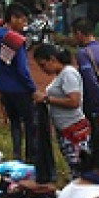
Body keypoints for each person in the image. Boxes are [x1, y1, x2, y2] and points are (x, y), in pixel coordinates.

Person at [0, 2, 37, 162]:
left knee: (14, 122)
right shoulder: (14, 39)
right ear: (13, 18)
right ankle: (30, 157)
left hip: (3, 87)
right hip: (20, 89)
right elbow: (21, 69)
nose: (24, 24)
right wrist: (32, 88)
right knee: (29, 122)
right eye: (23, 20)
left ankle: (16, 155)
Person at [31, 43, 90, 179]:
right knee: (74, 165)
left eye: (43, 65)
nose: (42, 69)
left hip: (73, 130)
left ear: (52, 59)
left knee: (78, 168)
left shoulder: (68, 73)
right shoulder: (60, 75)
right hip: (66, 129)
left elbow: (74, 101)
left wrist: (47, 99)